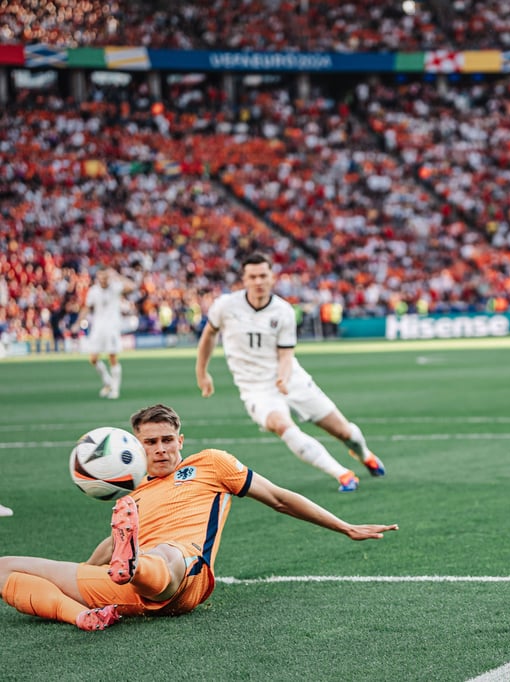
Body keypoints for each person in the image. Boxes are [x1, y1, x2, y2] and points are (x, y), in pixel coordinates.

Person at [0, 404, 398, 631]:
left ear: (180, 441)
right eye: (149, 442)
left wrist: (343, 526)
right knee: (6, 570)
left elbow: (278, 497)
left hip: (183, 578)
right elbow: (109, 546)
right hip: (124, 589)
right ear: (136, 446)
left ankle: (135, 564)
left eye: (167, 440)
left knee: (166, 552)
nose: (160, 449)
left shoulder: (211, 464)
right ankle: (85, 616)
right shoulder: (133, 491)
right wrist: (83, 571)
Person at [196, 253, 385, 493]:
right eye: (252, 276)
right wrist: (202, 372)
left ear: (272, 277)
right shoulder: (225, 305)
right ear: (243, 279)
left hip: (292, 379)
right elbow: (209, 336)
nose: (258, 281)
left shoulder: (283, 311)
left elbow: (286, 355)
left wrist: (284, 378)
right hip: (255, 388)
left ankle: (364, 454)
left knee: (344, 432)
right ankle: (343, 474)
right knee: (281, 425)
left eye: (263, 275)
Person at [82, 268, 135, 400]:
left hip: (112, 327)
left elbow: (132, 286)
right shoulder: (93, 291)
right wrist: (78, 322)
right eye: (101, 277)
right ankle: (108, 381)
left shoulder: (115, 287)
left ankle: (115, 389)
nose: (103, 280)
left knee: (112, 357)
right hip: (97, 328)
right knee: (93, 359)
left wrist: (117, 275)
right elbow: (87, 307)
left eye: (105, 277)